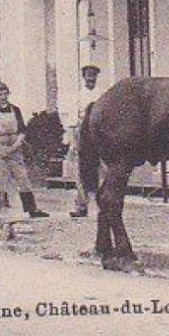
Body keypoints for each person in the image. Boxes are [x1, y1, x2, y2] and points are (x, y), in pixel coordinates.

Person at [0, 83, 48, 221]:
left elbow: (22, 131)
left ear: (8, 94)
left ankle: (32, 209)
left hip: (14, 147)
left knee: (22, 177)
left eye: (5, 94)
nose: (3, 97)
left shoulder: (16, 110)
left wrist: (16, 145)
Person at [68, 64, 106, 219]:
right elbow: (72, 119)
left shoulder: (102, 95)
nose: (91, 78)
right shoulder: (78, 96)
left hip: (99, 134)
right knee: (79, 170)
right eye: (88, 75)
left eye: (93, 76)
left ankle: (104, 205)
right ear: (83, 77)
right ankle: (81, 205)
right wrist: (73, 140)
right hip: (82, 133)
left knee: (102, 169)